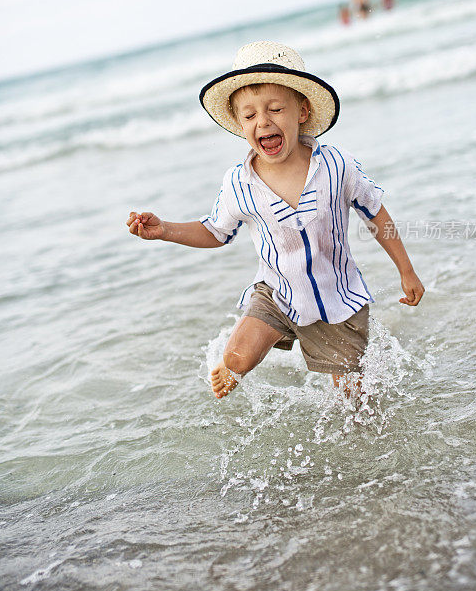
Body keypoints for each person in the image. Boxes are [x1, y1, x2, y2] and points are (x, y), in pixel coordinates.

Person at [127, 41, 424, 400]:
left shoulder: (336, 166)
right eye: (249, 115)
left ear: (301, 111)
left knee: (356, 405)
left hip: (338, 300)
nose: (263, 121)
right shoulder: (239, 182)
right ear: (239, 124)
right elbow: (215, 231)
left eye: (275, 109)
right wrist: (165, 230)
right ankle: (234, 364)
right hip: (277, 292)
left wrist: (405, 270)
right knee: (238, 354)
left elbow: (375, 212)